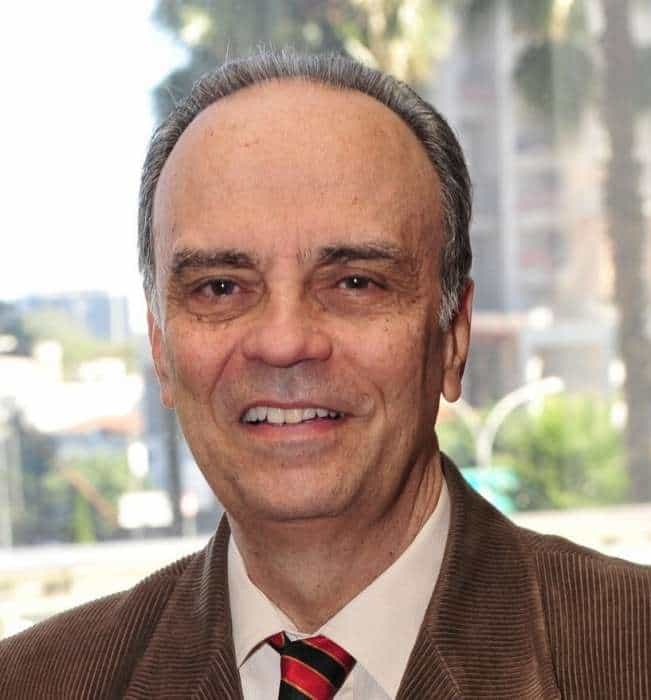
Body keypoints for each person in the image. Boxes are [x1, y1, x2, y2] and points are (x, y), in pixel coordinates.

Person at [1, 50, 649, 700]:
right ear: (161, 348)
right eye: (221, 287)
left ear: (453, 336)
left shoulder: (630, 653)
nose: (284, 342)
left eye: (355, 282)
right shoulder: (33, 682)